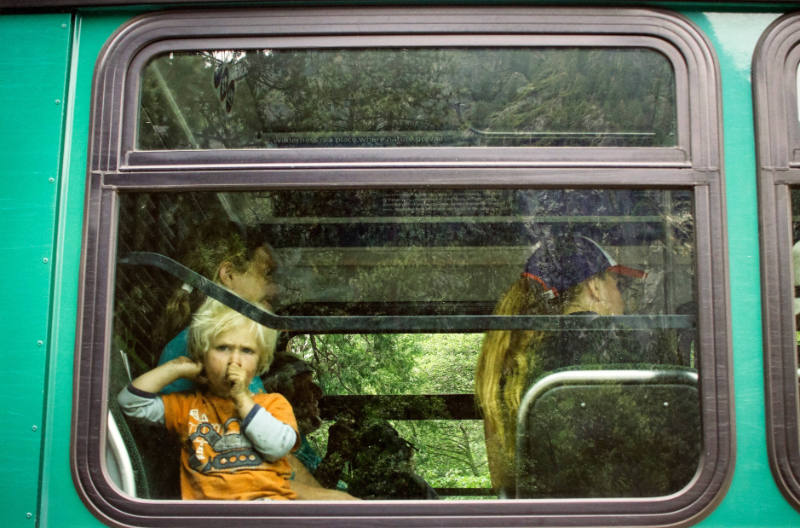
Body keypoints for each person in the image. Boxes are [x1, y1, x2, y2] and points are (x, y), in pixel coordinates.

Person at [475, 235, 649, 495]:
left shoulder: (516, 360)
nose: (623, 297)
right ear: (595, 287)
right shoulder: (615, 341)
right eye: (618, 284)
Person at [118, 299, 299, 500]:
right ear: (202, 356)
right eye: (223, 348)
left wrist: (241, 397)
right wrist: (176, 368)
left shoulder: (273, 404)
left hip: (267, 514)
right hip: (210, 516)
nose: (234, 360)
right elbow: (131, 403)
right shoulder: (188, 407)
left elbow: (277, 447)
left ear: (259, 362)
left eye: (247, 351)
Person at [157, 226, 278, 394]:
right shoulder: (200, 343)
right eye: (265, 273)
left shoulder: (212, 340)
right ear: (228, 274)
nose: (273, 289)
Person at [261, 351, 357, 500]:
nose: (318, 393)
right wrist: (336, 454)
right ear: (281, 396)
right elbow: (314, 499)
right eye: (305, 386)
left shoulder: (298, 440)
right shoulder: (277, 443)